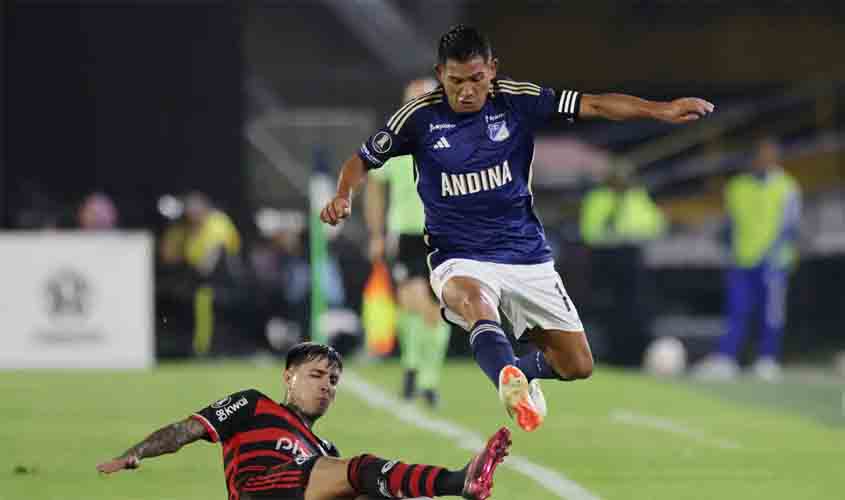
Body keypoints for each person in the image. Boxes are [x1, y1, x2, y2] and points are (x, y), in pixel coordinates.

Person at [320, 25, 714, 432]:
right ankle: (506, 376)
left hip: (525, 253)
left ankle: (521, 372)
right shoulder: (419, 116)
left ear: (492, 69)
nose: (467, 90)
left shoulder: (518, 100)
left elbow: (593, 104)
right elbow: (362, 159)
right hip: (458, 254)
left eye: (476, 79)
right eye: (456, 81)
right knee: (473, 303)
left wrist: (661, 110)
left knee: (577, 364)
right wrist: (343, 194)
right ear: (441, 74)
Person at [96, 343, 511, 500]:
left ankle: (457, 484)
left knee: (366, 486)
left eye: (333, 380)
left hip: (302, 488)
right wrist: (136, 453)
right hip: (258, 492)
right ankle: (460, 482)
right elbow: (184, 431)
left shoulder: (324, 452)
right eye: (316, 375)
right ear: (288, 378)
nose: (326, 386)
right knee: (358, 470)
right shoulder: (253, 406)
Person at [366, 77, 452, 407]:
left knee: (436, 308)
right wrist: (376, 234)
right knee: (411, 305)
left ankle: (425, 379)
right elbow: (375, 186)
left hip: (444, 233)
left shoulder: (452, 140)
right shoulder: (392, 141)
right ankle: (413, 368)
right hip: (406, 232)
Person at [693, 138, 801, 382]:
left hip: (773, 262)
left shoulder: (787, 187)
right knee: (736, 311)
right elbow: (730, 222)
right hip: (742, 260)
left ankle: (768, 360)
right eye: (760, 156)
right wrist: (726, 246)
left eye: (770, 156)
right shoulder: (737, 186)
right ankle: (727, 359)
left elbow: (791, 226)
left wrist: (774, 254)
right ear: (752, 159)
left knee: (771, 314)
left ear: (776, 159)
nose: (764, 161)